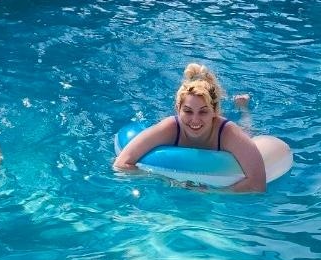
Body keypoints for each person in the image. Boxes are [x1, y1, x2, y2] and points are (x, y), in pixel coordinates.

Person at [113, 63, 266, 192]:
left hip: (224, 139)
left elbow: (257, 183)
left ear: (215, 111)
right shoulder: (170, 128)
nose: (195, 120)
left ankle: (243, 108)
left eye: (203, 111)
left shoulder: (227, 132)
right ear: (178, 109)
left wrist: (212, 192)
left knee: (247, 131)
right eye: (187, 111)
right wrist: (164, 180)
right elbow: (121, 163)